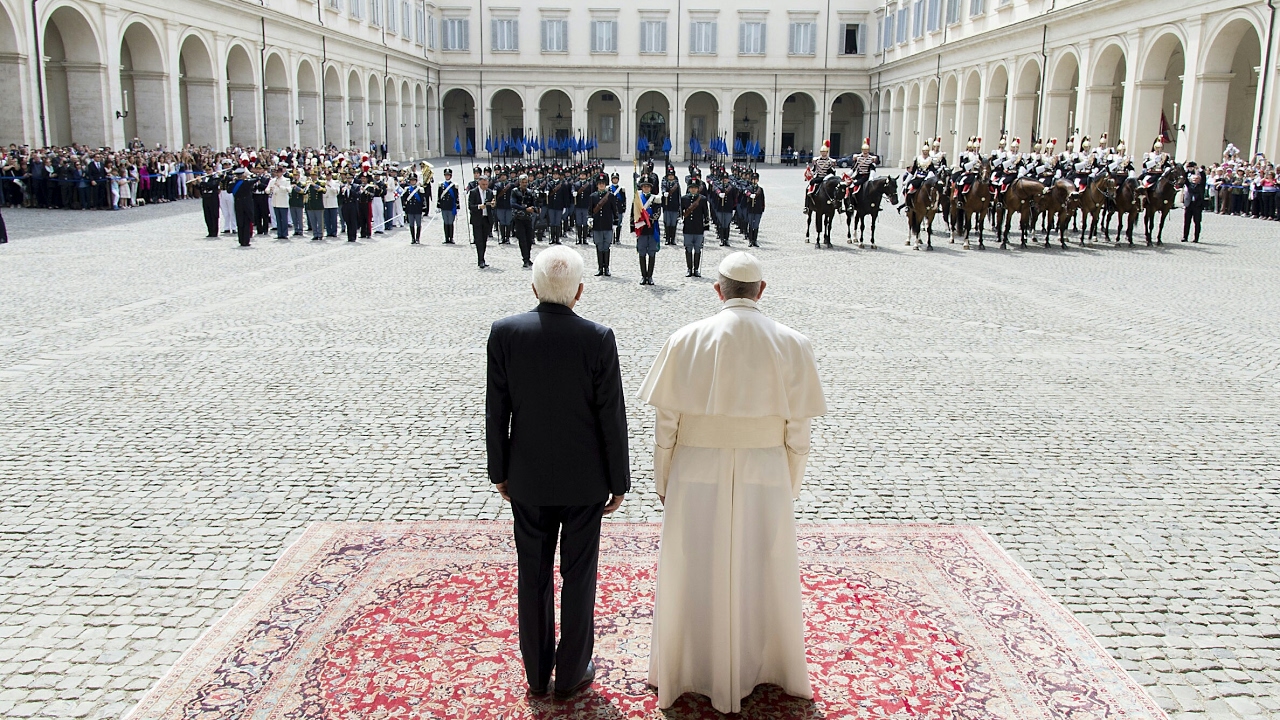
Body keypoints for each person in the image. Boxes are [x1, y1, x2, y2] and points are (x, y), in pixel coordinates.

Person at [638, 251, 826, 714]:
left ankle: (688, 665)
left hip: (695, 467)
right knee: (763, 564)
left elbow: (667, 425)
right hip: (767, 470)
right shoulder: (794, 343)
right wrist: (791, 484)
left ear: (717, 290)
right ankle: (764, 664)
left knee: (693, 563)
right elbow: (798, 432)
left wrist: (663, 479)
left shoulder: (685, 339)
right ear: (761, 291)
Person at [485, 245, 629, 700]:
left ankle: (535, 670)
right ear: (580, 292)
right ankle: (570, 674)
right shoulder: (598, 337)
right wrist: (619, 480)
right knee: (579, 574)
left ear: (534, 287)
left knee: (533, 573)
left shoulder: (505, 332)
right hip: (585, 479)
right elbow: (612, 415)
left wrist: (499, 471)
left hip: (526, 475)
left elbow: (496, 411)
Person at [589, 174, 618, 276]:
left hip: (607, 224)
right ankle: (600, 267)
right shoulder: (593, 196)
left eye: (603, 184)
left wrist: (615, 222)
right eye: (599, 184)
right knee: (599, 246)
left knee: (606, 246)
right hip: (597, 225)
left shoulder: (610, 196)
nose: (601, 185)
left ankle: (607, 268)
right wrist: (590, 218)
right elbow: (590, 210)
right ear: (597, 185)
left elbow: (615, 210)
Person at [680, 180, 710, 277]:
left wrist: (706, 227)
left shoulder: (702, 199)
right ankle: (689, 269)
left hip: (698, 228)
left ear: (698, 189)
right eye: (691, 188)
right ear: (689, 188)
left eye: (695, 188)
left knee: (697, 249)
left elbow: (706, 213)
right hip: (688, 228)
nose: (693, 190)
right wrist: (680, 220)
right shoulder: (684, 198)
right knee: (688, 248)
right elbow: (680, 211)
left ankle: (696, 269)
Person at [633, 178, 661, 285]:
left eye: (648, 186)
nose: (646, 188)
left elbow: (658, 213)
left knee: (652, 253)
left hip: (652, 229)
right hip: (641, 230)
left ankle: (650, 276)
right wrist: (633, 228)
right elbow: (633, 214)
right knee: (642, 253)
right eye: (644, 186)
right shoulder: (638, 199)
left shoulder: (655, 199)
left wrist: (648, 220)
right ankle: (643, 276)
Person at [509, 173, 537, 268]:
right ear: (520, 182)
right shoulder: (515, 191)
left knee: (529, 239)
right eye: (523, 182)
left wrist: (535, 208)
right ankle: (525, 259)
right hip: (519, 218)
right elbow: (513, 203)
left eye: (526, 182)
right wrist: (524, 209)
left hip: (528, 218)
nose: (525, 184)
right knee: (522, 239)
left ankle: (528, 257)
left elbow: (533, 203)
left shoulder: (530, 192)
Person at [469, 175, 495, 268]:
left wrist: (492, 204)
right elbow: (470, 206)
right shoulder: (473, 192)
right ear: (479, 183)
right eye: (483, 184)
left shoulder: (489, 192)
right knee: (478, 240)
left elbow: (493, 204)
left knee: (484, 240)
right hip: (477, 219)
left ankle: (482, 257)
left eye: (486, 184)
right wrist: (479, 206)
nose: (485, 186)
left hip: (486, 219)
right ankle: (480, 260)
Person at [229, 167, 259, 247]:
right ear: (243, 175)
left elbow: (228, 190)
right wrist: (250, 174)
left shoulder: (233, 183)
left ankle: (241, 240)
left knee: (240, 222)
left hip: (237, 203)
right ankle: (246, 240)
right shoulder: (246, 183)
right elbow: (256, 178)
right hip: (246, 204)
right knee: (246, 222)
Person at [1183, 162, 1207, 243]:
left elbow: (1203, 177)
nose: (1195, 180)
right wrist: (1187, 169)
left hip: (1197, 205)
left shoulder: (1201, 186)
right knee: (1187, 222)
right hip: (1189, 205)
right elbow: (1185, 178)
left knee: (1197, 222)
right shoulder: (1189, 185)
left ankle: (1196, 238)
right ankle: (1185, 237)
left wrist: (1198, 169)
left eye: (1197, 179)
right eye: (1194, 179)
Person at [401, 173, 427, 244]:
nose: (412, 181)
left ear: (416, 181)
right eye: (411, 180)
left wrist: (424, 209)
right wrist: (404, 207)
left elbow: (423, 199)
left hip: (418, 209)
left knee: (418, 224)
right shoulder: (407, 189)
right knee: (411, 224)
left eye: (414, 180)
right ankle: (413, 238)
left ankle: (417, 238)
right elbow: (403, 199)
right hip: (410, 209)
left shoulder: (420, 189)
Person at [267, 166, 292, 239]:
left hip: (283, 202)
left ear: (282, 172)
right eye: (276, 172)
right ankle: (279, 233)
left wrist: (280, 186)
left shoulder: (286, 180)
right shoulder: (272, 180)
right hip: (275, 202)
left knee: (284, 219)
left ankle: (284, 233)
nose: (277, 174)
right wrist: (269, 190)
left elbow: (289, 190)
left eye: (279, 172)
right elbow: (267, 189)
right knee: (278, 218)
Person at [438, 168, 459, 244]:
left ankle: (451, 237)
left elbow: (457, 196)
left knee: (450, 222)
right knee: (445, 222)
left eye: (448, 175)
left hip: (451, 206)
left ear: (450, 176)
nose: (447, 176)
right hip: (444, 206)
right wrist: (438, 206)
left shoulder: (454, 186)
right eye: (446, 175)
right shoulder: (441, 185)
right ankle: (446, 237)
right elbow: (439, 196)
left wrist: (457, 206)